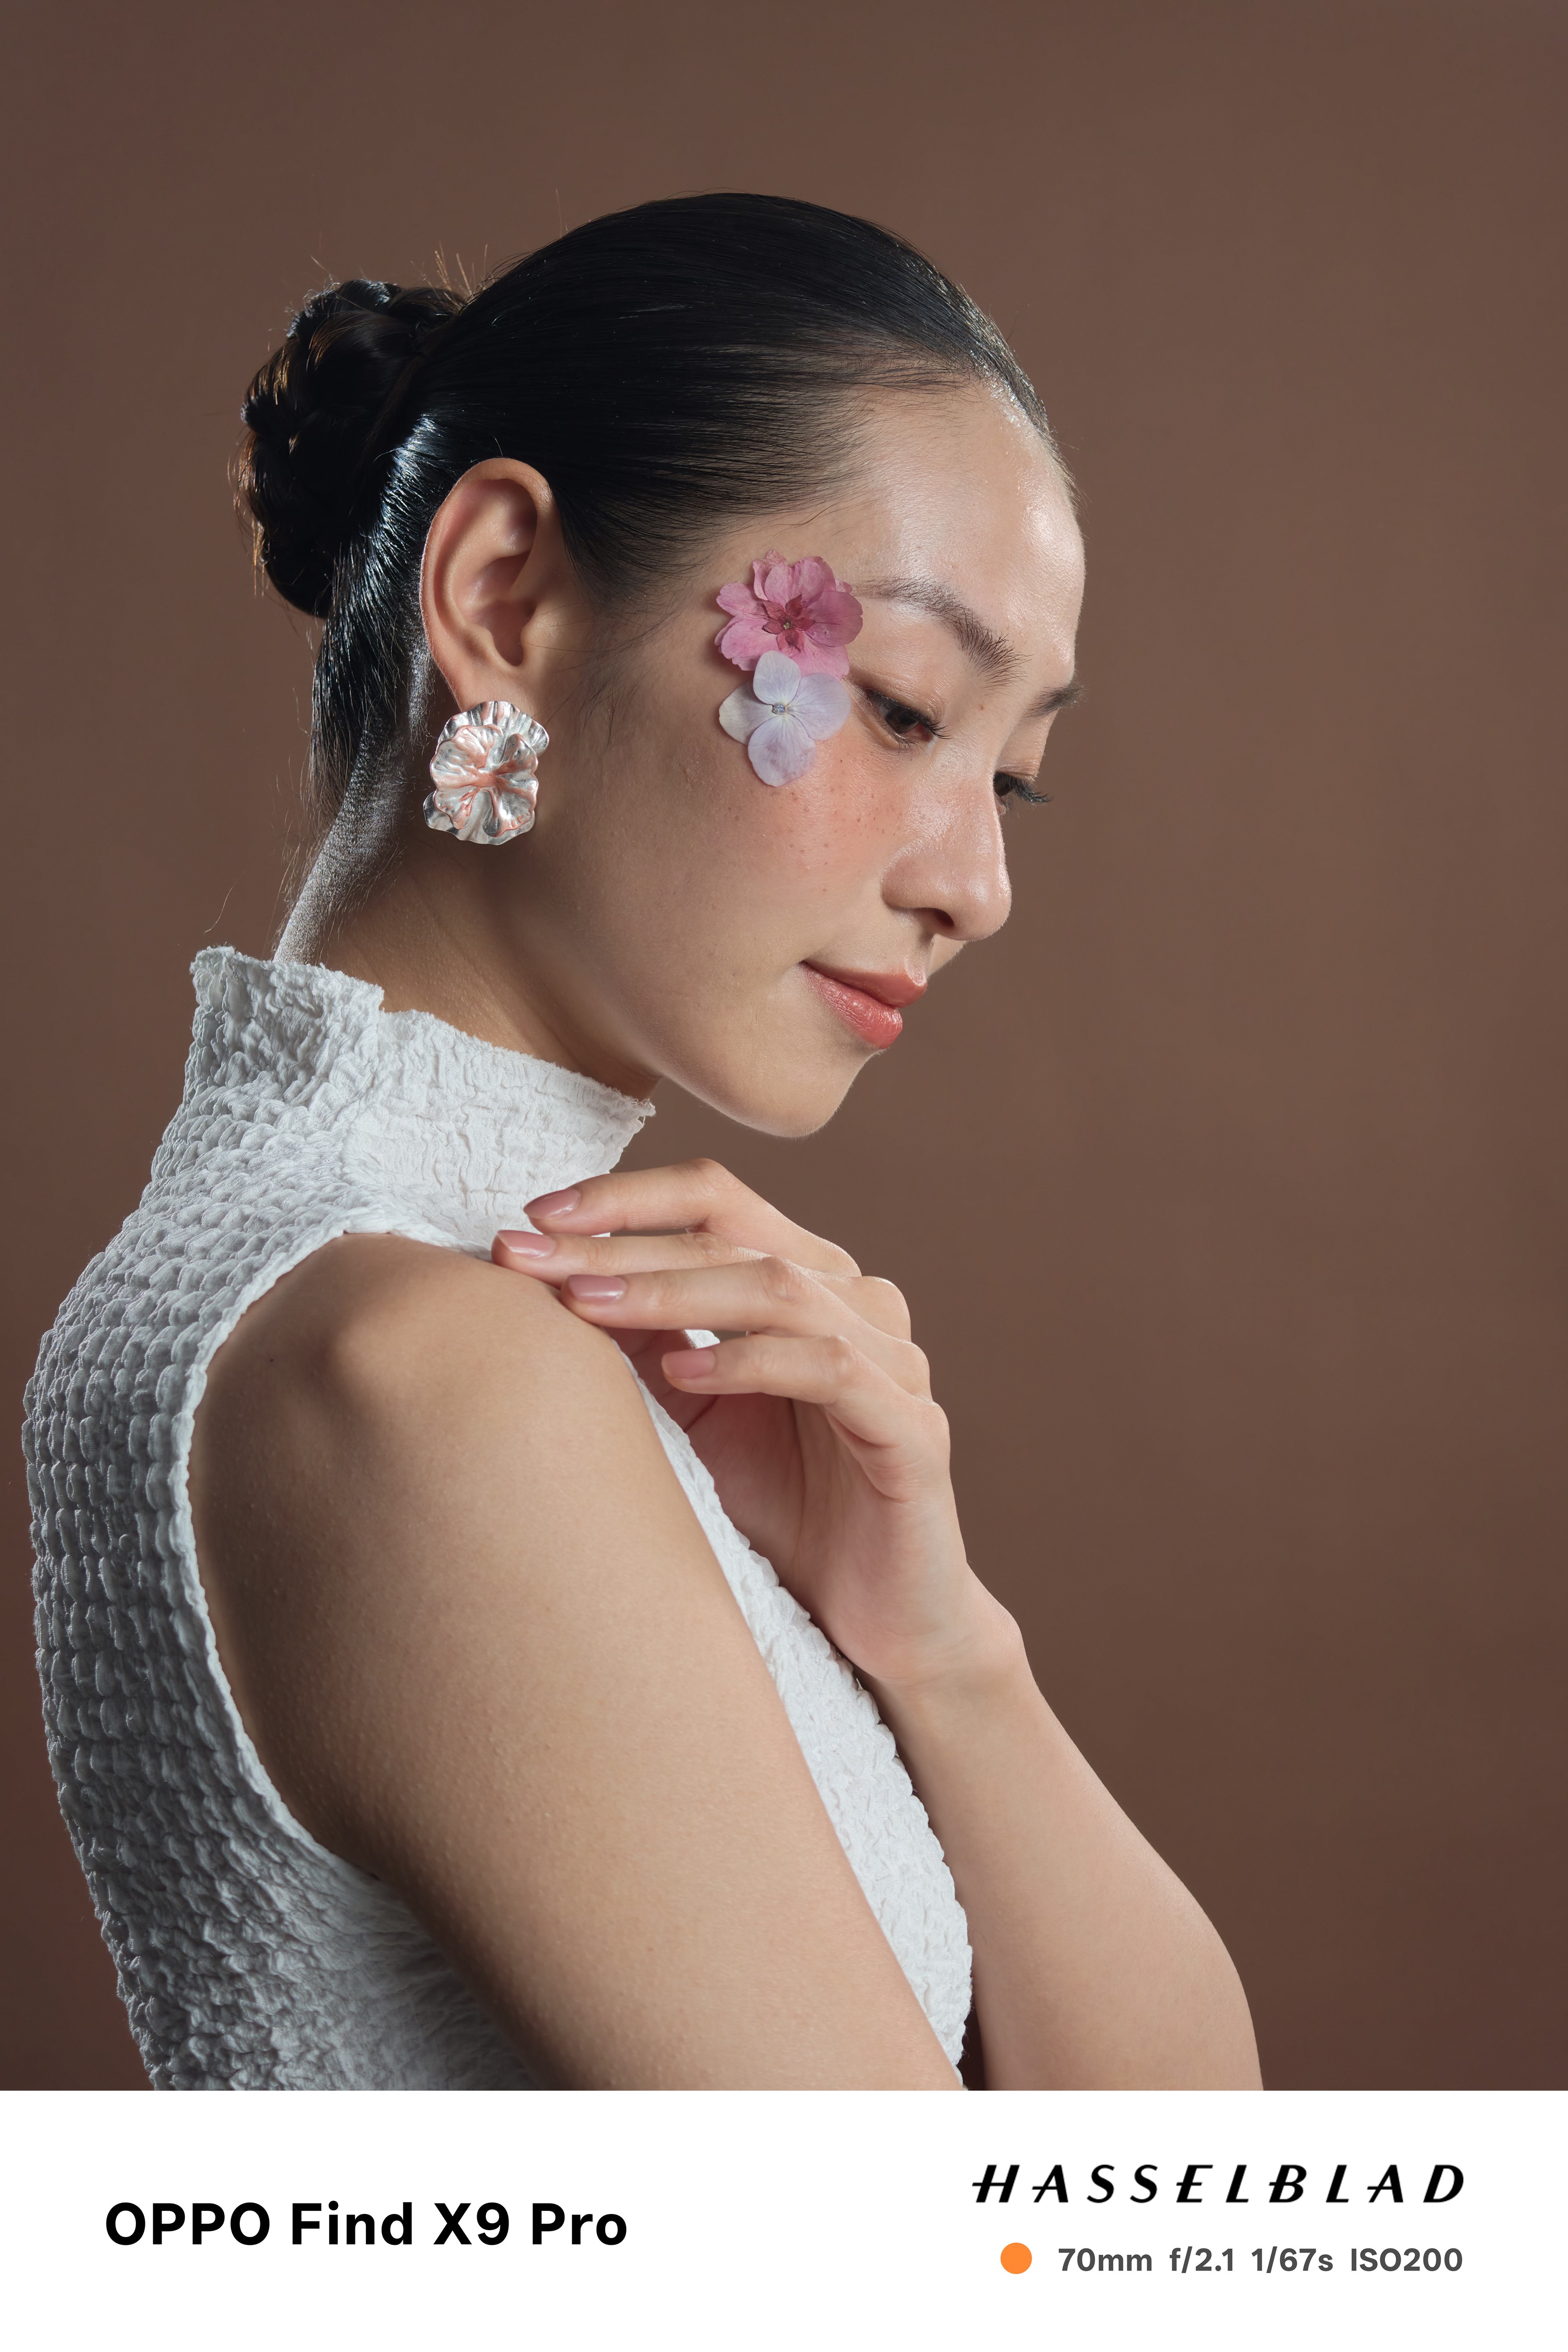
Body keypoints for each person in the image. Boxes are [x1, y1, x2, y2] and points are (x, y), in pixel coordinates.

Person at [26, 194, 1260, 2091]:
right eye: (902, 707)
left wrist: (938, 1642)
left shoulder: (389, 1296)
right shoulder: (420, 1370)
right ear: (503, 598)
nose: (979, 884)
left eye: (1009, 777)